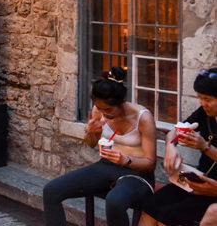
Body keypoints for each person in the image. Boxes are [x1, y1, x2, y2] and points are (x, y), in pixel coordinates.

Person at [43, 67, 156, 226]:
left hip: (137, 174)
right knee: (51, 190)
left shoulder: (143, 117)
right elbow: (91, 144)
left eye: (109, 109)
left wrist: (126, 160)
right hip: (106, 166)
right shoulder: (99, 110)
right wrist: (90, 133)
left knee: (115, 201)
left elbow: (151, 164)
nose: (105, 114)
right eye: (101, 109)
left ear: (122, 102)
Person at [138, 68, 217, 226]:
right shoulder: (204, 113)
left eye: (207, 99)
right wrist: (170, 147)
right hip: (198, 178)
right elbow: (175, 131)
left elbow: (205, 148)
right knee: (150, 206)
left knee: (167, 216)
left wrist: (205, 147)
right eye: (200, 98)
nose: (203, 103)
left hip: (213, 188)